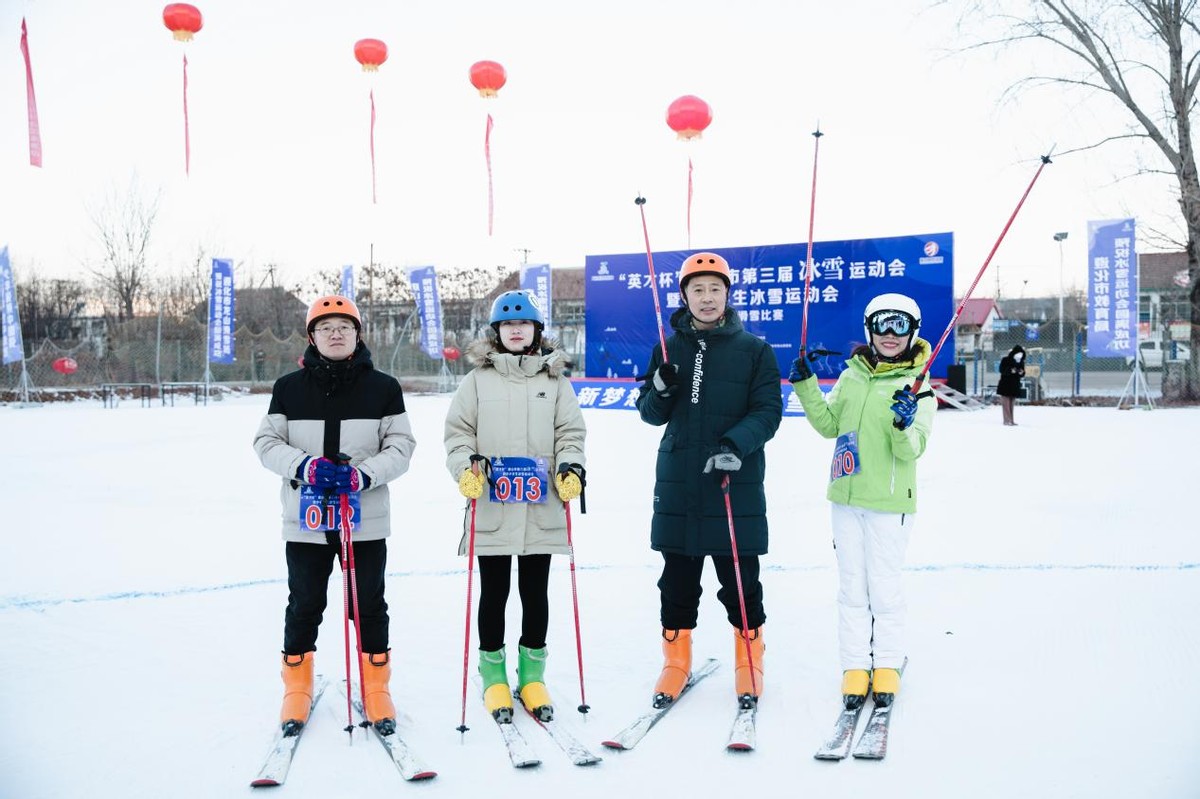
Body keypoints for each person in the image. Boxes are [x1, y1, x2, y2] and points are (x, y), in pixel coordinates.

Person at [253, 295, 416, 734]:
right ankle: (296, 685)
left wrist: (362, 476)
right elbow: (266, 445)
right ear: (312, 336)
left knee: (368, 604)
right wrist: (305, 467)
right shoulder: (288, 388)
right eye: (326, 327)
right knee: (304, 602)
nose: (336, 333)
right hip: (305, 521)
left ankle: (376, 684)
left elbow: (401, 448)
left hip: (362, 520)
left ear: (358, 333)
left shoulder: (383, 387)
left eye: (344, 325)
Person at [636, 252, 783, 708]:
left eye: (714, 289)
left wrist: (733, 445)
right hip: (680, 482)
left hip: (731, 483)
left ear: (727, 295)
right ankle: (676, 661)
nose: (706, 297)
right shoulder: (667, 346)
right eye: (697, 290)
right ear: (684, 296)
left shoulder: (754, 350)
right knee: (677, 582)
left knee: (740, 581)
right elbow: (649, 414)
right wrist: (658, 390)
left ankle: (749, 658)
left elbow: (767, 412)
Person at [444, 289, 587, 723]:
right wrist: (465, 469)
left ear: (537, 331)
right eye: (508, 325)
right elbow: (457, 434)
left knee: (534, 592)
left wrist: (571, 469)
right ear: (497, 332)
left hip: (540, 506)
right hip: (492, 506)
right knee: (494, 593)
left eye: (523, 324)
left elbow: (571, 434)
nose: (516, 330)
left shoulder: (554, 382)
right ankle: (494, 678)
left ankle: (532, 677)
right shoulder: (476, 382)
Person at [788, 292, 935, 711]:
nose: (890, 334)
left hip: (890, 505)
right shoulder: (853, 377)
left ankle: (886, 663)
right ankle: (855, 665)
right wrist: (805, 384)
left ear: (913, 331)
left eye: (900, 325)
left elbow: (912, 451)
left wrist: (903, 422)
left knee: (883, 588)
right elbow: (829, 425)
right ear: (869, 329)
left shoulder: (919, 387)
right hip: (846, 499)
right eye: (883, 324)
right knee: (852, 587)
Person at [996, 345, 1026, 426]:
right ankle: (1007, 420)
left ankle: (1011, 420)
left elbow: (1023, 372)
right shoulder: (1005, 360)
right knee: (1006, 404)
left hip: (1014, 385)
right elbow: (1001, 370)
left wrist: (1021, 372)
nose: (1019, 356)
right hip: (1005, 385)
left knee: (1011, 404)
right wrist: (1010, 370)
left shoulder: (1021, 362)